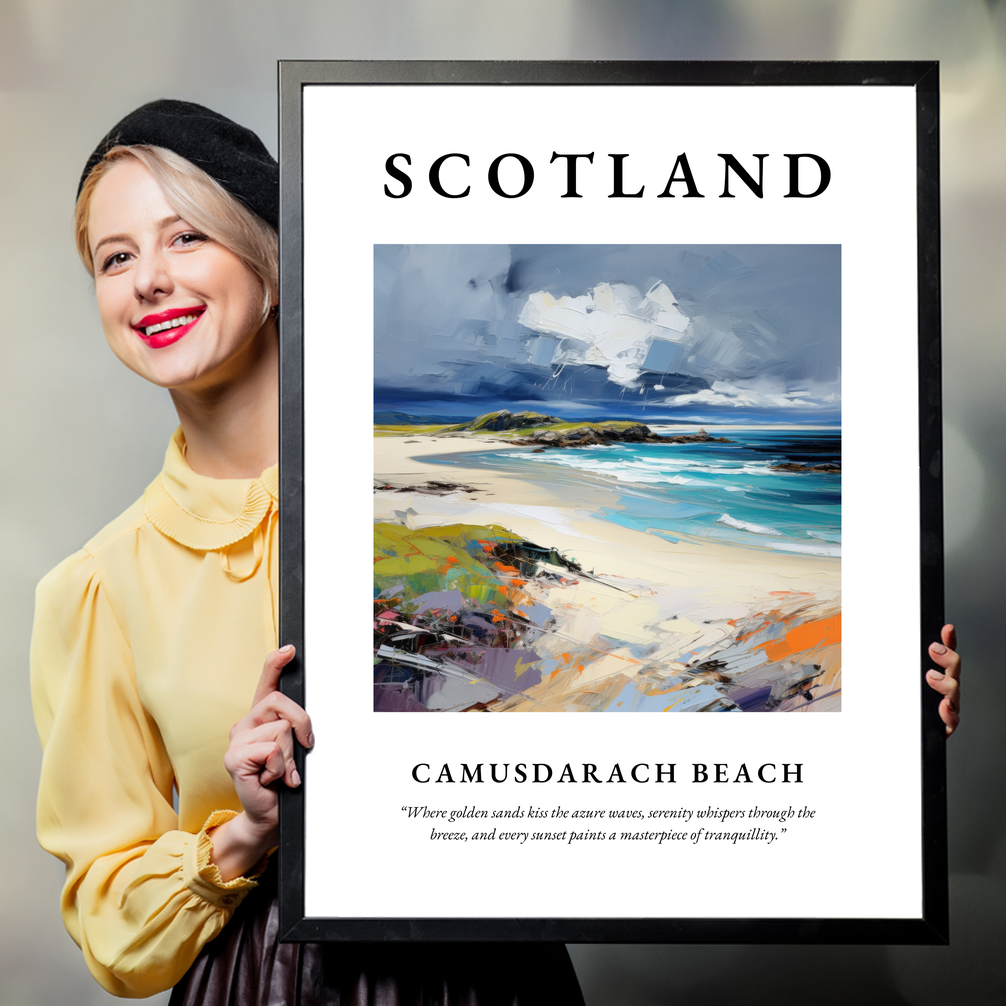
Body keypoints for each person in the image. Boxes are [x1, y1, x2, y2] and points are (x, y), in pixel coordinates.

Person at [30, 100, 585, 1004]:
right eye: (116, 257)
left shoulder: (451, 499)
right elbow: (110, 924)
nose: (148, 281)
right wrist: (245, 832)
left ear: (273, 264)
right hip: (263, 981)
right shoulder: (97, 586)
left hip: (492, 973)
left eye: (185, 239)